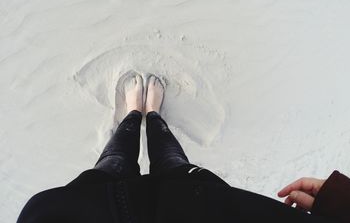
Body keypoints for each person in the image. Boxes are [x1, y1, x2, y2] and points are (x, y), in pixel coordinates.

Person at [17, 73, 350, 223]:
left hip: (92, 211)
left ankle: (135, 116)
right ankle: (150, 116)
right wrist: (342, 203)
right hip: (199, 208)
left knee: (113, 166)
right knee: (175, 166)